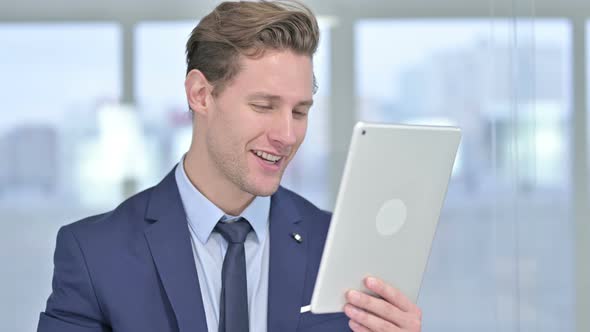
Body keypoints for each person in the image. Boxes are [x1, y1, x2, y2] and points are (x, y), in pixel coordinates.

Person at [37, 1, 422, 331]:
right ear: (201, 95)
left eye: (300, 111)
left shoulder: (340, 249)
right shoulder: (95, 254)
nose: (287, 135)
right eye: (263, 106)